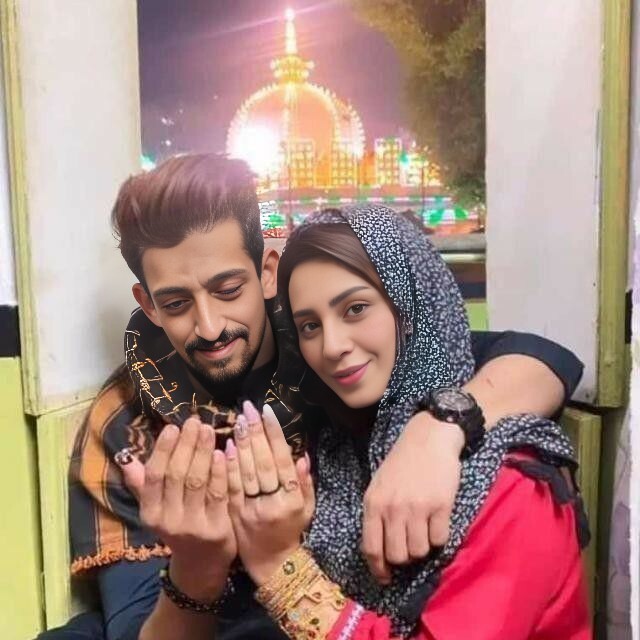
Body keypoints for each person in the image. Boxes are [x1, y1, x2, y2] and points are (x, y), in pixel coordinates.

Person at [48, 155, 582, 640]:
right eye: (176, 303)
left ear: (266, 272)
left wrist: (436, 429)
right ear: (147, 304)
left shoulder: (323, 360)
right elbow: (136, 630)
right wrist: (197, 564)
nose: (209, 327)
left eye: (228, 290)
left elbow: (533, 358)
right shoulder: (127, 423)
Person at [213, 205, 591, 639]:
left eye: (355, 309)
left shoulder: (509, 484)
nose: (331, 346)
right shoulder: (340, 449)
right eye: (310, 326)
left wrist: (278, 566)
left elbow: (546, 359)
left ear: (414, 306)